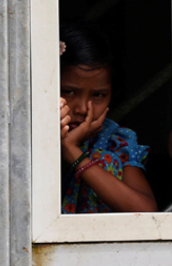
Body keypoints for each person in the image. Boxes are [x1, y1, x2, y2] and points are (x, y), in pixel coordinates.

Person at [59, 22, 156, 213]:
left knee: (103, 159)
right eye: (69, 91)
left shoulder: (115, 141)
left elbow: (145, 213)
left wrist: (74, 153)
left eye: (98, 95)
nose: (82, 108)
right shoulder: (27, 134)